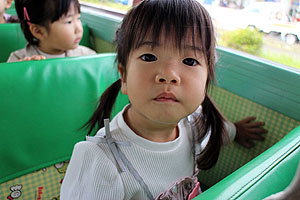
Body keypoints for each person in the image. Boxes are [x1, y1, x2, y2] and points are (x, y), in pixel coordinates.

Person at [60, 0, 266, 199]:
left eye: (189, 61)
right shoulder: (100, 160)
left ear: (206, 81)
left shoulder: (195, 123)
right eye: (149, 57)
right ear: (124, 76)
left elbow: (218, 131)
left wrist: (237, 131)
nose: (169, 75)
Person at [7, 0, 96, 62]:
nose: (79, 29)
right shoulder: (17, 60)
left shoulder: (88, 56)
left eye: (78, 18)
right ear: (39, 31)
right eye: (69, 22)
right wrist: (23, 73)